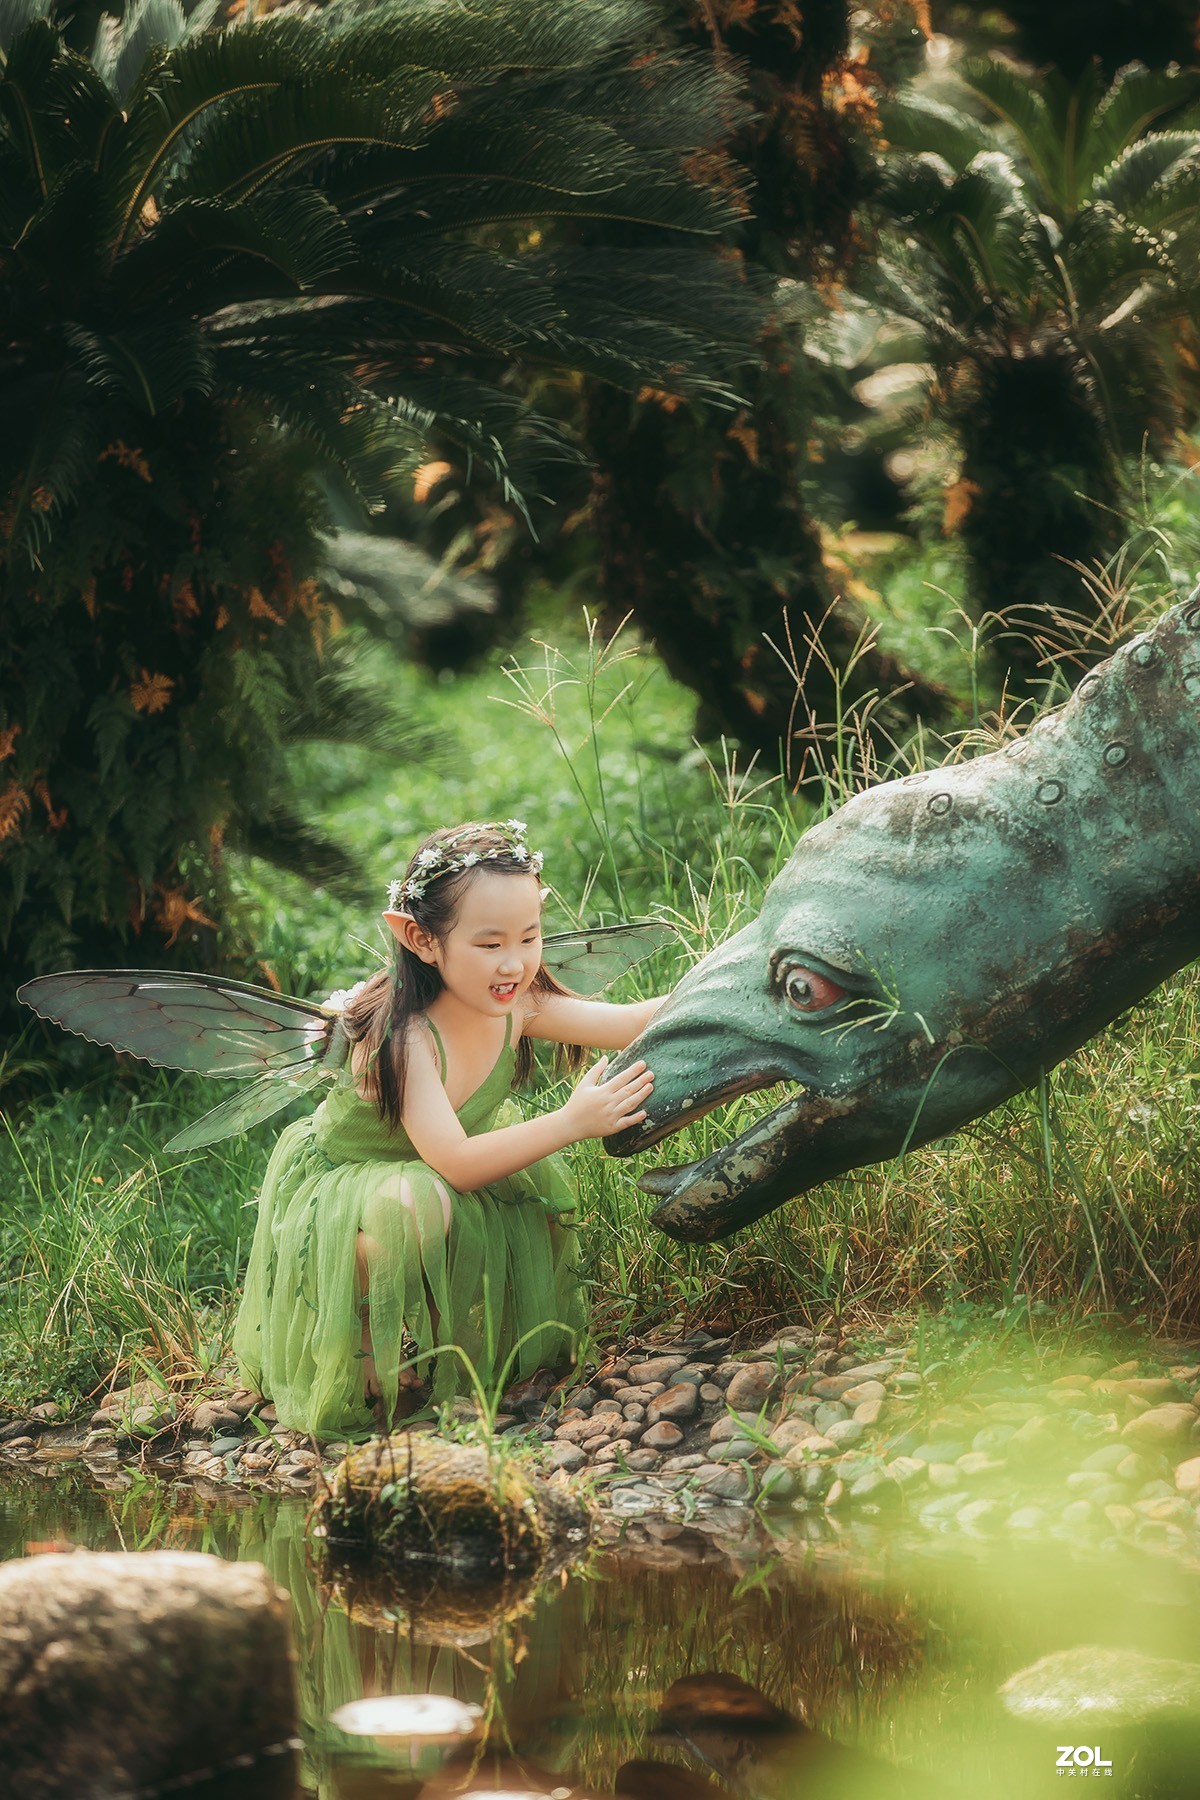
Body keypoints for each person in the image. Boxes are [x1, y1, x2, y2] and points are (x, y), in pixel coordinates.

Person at [233, 819, 662, 1438]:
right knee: (424, 1203)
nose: (514, 962)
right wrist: (572, 1121)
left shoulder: (521, 1001)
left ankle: (466, 1354)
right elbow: (456, 1163)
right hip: (355, 1187)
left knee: (521, 1193)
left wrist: (738, 977)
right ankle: (355, 1325)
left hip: (437, 1173)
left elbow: (627, 1024)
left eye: (530, 936)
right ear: (421, 939)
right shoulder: (403, 1038)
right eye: (489, 944)